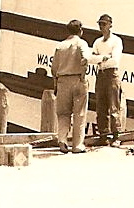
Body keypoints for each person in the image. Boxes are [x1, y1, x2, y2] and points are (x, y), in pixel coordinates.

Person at [52, 19, 94, 154]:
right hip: (77, 80)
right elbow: (86, 58)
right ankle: (77, 145)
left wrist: (56, 85)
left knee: (63, 114)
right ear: (80, 31)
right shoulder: (82, 43)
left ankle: (62, 140)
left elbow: (54, 69)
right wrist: (83, 75)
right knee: (79, 114)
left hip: (62, 81)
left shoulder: (60, 46)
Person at [92, 13, 124, 146]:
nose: (101, 27)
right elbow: (91, 59)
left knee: (114, 106)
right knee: (101, 106)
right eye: (100, 24)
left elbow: (115, 60)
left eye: (104, 24)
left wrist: (100, 59)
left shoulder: (116, 41)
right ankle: (103, 136)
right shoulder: (97, 42)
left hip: (112, 75)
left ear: (110, 25)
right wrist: (104, 58)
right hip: (101, 75)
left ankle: (116, 136)